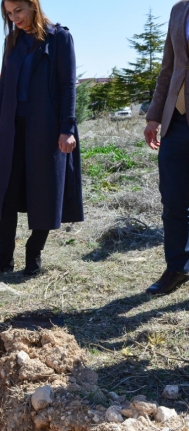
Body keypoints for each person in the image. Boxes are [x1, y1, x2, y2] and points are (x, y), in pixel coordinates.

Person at [0, 0, 83, 276]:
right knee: (6, 192)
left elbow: (67, 86)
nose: (15, 18)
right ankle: (4, 256)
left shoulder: (60, 38)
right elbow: (3, 88)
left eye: (19, 11)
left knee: (44, 191)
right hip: (13, 129)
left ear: (33, 5)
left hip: (47, 129)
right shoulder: (11, 42)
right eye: (9, 14)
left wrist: (67, 128)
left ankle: (33, 252)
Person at [143, 0, 189, 295]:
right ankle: (178, 268)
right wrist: (154, 116)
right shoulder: (178, 10)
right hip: (177, 122)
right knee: (173, 201)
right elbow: (169, 67)